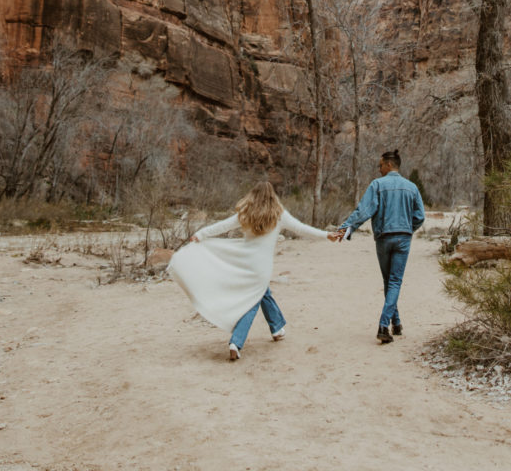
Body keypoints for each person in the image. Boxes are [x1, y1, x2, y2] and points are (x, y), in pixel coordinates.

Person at [168, 181, 338, 360]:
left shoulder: (245, 214)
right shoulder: (279, 215)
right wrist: (326, 235)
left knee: (263, 293)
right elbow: (302, 229)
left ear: (253, 196)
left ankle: (277, 328)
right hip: (262, 268)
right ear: (273, 197)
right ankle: (236, 341)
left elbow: (222, 226)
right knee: (253, 300)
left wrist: (201, 234)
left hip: (244, 263)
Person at [335, 148, 425, 344]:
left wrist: (345, 229)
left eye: (380, 165)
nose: (379, 169)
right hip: (403, 239)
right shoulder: (411, 187)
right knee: (393, 282)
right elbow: (420, 216)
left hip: (384, 238)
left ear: (389, 165)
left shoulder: (377, 185)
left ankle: (385, 325)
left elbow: (364, 210)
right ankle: (396, 323)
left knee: (389, 281)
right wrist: (408, 229)